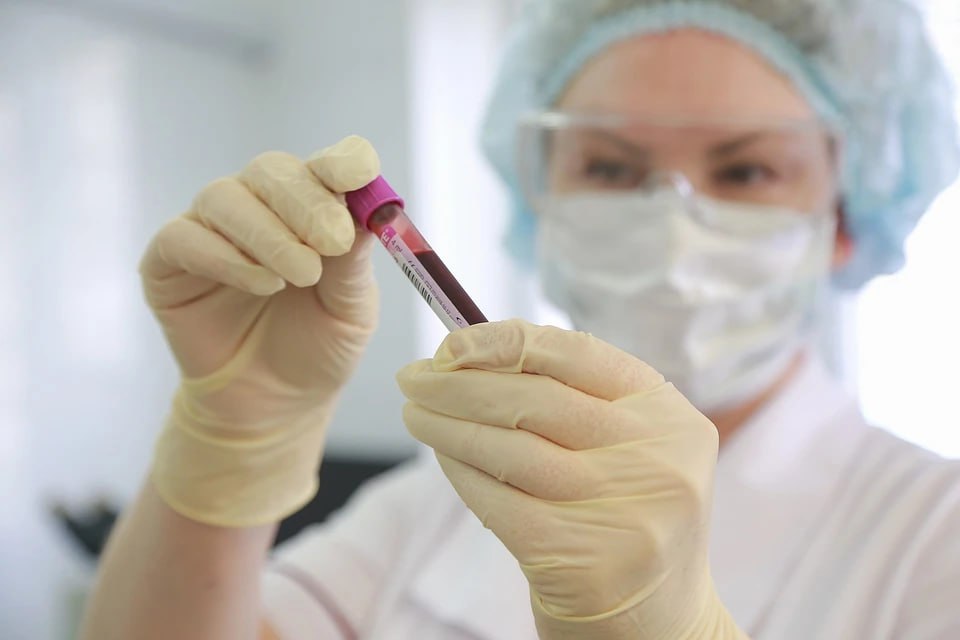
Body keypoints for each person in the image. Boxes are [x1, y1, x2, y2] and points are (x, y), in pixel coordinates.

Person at [80, 1, 960, 638]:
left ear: (847, 215)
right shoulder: (439, 500)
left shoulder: (933, 533)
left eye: (746, 171)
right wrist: (230, 441)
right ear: (542, 197)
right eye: (611, 167)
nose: (671, 223)